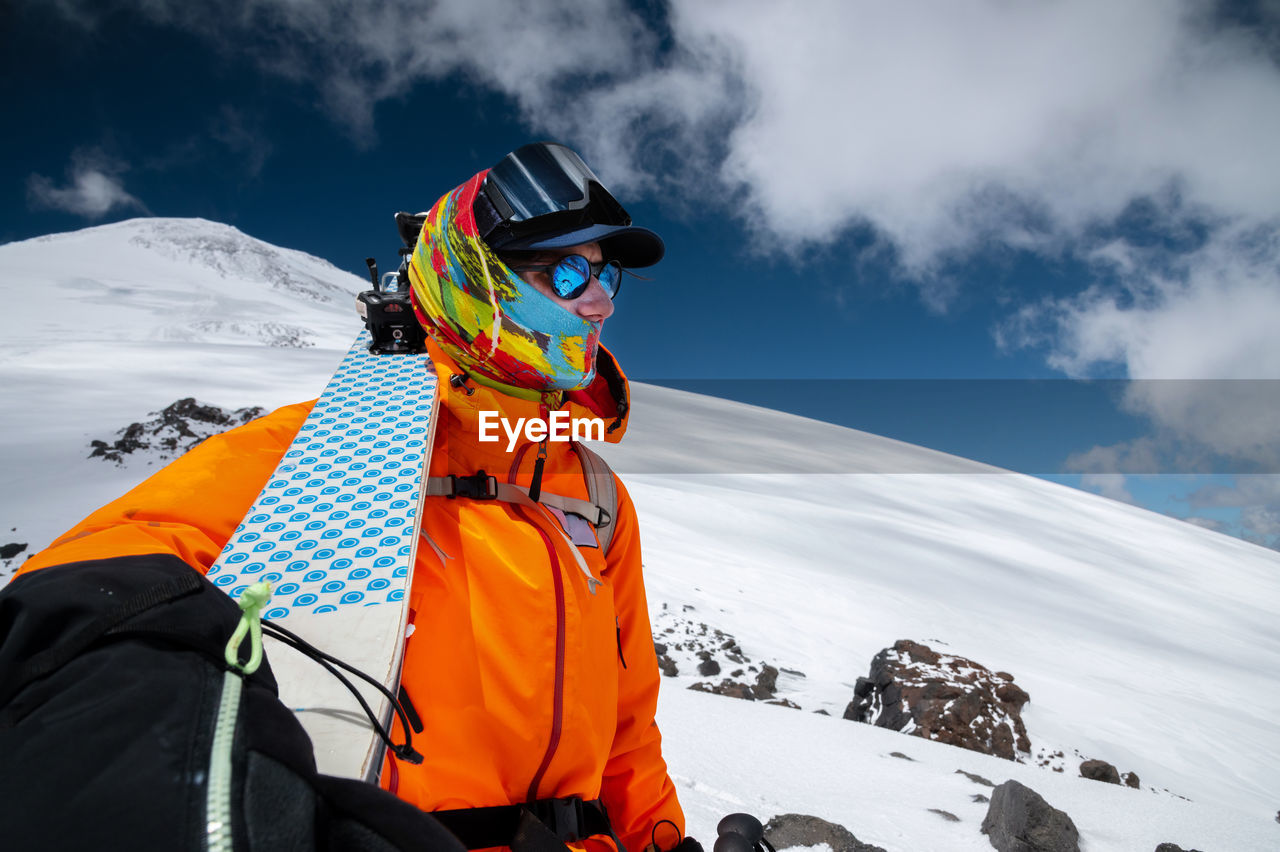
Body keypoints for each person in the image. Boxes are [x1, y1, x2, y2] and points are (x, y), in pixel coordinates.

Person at [9, 142, 692, 852]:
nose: (602, 300)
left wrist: (664, 841)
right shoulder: (321, 446)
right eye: (568, 272)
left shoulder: (595, 497)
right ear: (475, 278)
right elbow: (89, 593)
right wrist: (134, 749)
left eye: (603, 272)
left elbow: (628, 731)